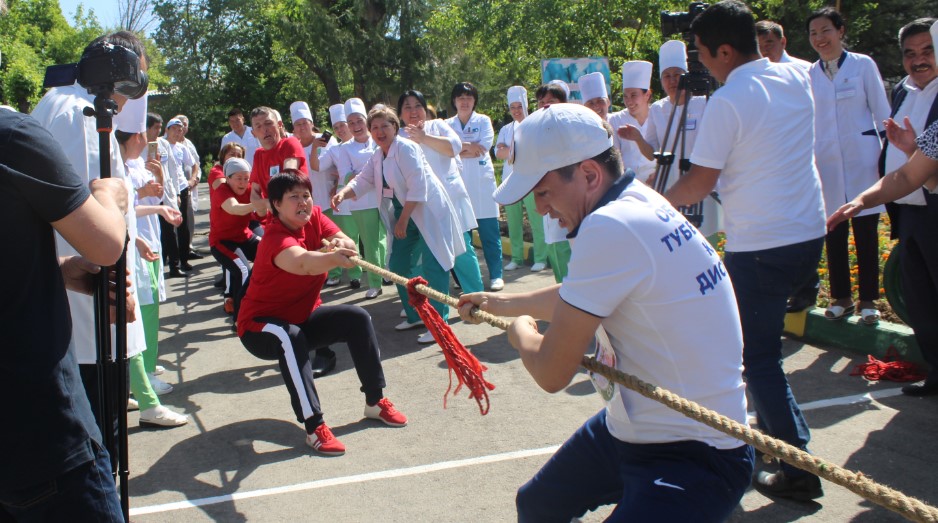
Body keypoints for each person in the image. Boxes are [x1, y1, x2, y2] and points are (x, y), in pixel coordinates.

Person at [457, 103, 752, 521]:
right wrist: (504, 302)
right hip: (635, 428)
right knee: (539, 504)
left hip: (695, 450)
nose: (540, 210)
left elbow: (551, 372)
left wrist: (520, 331)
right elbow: (586, 294)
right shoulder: (634, 201)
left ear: (590, 175)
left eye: (542, 192)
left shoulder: (609, 226)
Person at [664, 0, 827, 500]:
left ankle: (797, 468)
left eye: (703, 54)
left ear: (725, 51)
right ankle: (781, 441)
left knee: (755, 356)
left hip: (762, 244)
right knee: (763, 352)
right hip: (808, 233)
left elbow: (699, 182)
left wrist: (650, 202)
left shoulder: (729, 100)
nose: (702, 64)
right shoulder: (794, 78)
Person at [31, 30, 157, 472]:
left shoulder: (59, 103)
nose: (130, 97)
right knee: (100, 449)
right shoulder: (83, 114)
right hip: (89, 319)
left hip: (77, 306)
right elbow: (92, 219)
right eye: (135, 80)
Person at [1, 103, 128, 521]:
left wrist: (63, 270)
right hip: (41, 434)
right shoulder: (11, 135)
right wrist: (109, 195)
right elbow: (106, 243)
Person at [237, 170, 408, 455]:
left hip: (302, 317)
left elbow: (348, 243)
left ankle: (375, 401)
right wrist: (332, 257)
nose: (303, 201)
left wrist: (343, 245)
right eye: (294, 197)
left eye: (306, 194)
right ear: (276, 204)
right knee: (289, 337)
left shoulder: (315, 216)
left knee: (357, 318)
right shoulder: (274, 239)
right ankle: (314, 426)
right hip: (260, 327)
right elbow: (304, 264)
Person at [333, 106, 468, 345]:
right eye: (374, 127)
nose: (379, 131)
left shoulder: (406, 148)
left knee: (434, 265)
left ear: (395, 127)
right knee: (397, 266)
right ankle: (416, 314)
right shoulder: (378, 155)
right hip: (405, 218)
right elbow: (363, 179)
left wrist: (403, 221)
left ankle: (439, 323)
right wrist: (343, 193)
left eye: (385, 125)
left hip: (425, 213)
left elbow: (418, 188)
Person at [807, 7, 891, 325]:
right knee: (834, 232)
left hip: (863, 161)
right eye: (814, 33)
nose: (820, 38)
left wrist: (888, 156)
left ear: (840, 31)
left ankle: (869, 300)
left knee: (866, 232)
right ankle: (841, 297)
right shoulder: (810, 75)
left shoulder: (862, 65)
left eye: (826, 30)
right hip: (826, 164)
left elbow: (882, 113)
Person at [115, 97, 189, 427]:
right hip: (122, 252)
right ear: (134, 137)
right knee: (132, 319)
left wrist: (156, 207)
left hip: (138, 244)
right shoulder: (114, 167)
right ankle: (146, 397)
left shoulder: (131, 164)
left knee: (144, 312)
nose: (149, 139)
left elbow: (132, 209)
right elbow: (123, 210)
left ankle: (138, 384)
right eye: (145, 133)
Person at [876, 17, 938, 395]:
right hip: (910, 212)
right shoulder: (902, 90)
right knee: (920, 300)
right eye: (910, 54)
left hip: (935, 209)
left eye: (927, 51)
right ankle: (936, 370)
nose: (919, 61)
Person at [619, 40, 724, 239]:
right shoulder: (658, 109)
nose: (672, 80)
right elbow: (653, 153)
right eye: (667, 76)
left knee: (706, 236)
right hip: (671, 184)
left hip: (701, 182)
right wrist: (638, 138)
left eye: (677, 75)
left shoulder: (704, 104)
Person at [398, 89, 486, 297]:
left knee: (462, 251)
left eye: (418, 106)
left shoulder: (436, 125)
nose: (413, 111)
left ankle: (477, 297)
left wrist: (424, 137)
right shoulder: (398, 135)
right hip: (419, 204)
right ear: (400, 113)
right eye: (407, 107)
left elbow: (454, 147)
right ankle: (426, 303)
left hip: (450, 199)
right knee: (422, 257)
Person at [311, 98, 386, 296]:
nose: (355, 126)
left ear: (367, 121)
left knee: (385, 240)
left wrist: (365, 176)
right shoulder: (345, 148)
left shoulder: (379, 140)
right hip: (361, 201)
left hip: (385, 198)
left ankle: (386, 272)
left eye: (359, 121)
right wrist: (371, 177)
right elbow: (347, 175)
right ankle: (374, 283)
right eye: (351, 122)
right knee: (369, 244)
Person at [446, 82, 504, 291]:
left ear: (474, 101)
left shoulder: (484, 121)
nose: (465, 102)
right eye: (460, 98)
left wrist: (459, 147)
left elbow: (484, 147)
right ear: (454, 101)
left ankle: (496, 275)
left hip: (481, 186)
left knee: (490, 233)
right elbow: (447, 150)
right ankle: (464, 278)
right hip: (458, 185)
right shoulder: (447, 124)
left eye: (469, 98)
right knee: (462, 237)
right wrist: (468, 146)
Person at [495, 86, 547, 273]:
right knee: (514, 222)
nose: (516, 110)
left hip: (532, 180)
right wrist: (512, 150)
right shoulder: (506, 129)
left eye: (519, 106)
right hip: (511, 181)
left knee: (537, 220)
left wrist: (509, 150)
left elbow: (535, 151)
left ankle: (541, 257)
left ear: (526, 105)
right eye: (513, 107)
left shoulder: (535, 125)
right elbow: (498, 152)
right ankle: (516, 257)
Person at [209, 157, 260, 326]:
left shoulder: (251, 189)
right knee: (243, 270)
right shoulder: (222, 191)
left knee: (273, 254)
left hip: (244, 237)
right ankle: (239, 319)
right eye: (239, 178)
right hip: (222, 242)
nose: (243, 182)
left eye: (246, 178)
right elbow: (234, 208)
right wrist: (257, 204)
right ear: (228, 178)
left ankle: (267, 303)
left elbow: (263, 211)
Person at [533, 83, 573, 284]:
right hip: (548, 201)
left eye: (551, 102)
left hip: (568, 200)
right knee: (554, 249)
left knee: (567, 249)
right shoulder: (535, 131)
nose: (546, 106)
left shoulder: (570, 129)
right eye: (542, 102)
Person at [249, 106, 308, 217]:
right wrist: (266, 203)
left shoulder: (290, 143)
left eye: (268, 123)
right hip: (275, 219)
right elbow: (254, 195)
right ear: (253, 133)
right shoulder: (258, 155)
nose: (264, 130)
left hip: (298, 214)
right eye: (258, 126)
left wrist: (266, 204)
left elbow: (287, 179)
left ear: (279, 125)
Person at [159, 117, 197, 277]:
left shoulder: (182, 147)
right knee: (168, 228)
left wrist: (192, 179)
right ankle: (171, 263)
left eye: (180, 129)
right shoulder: (160, 144)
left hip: (181, 187)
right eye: (174, 128)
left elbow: (194, 164)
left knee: (183, 227)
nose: (177, 132)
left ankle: (184, 259)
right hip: (167, 189)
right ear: (167, 130)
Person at [608, 61, 656, 182]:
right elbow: (615, 159)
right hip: (629, 184)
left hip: (657, 182)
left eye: (634, 95)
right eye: (625, 96)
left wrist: (658, 174)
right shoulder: (615, 120)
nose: (629, 101)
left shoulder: (658, 116)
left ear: (647, 95)